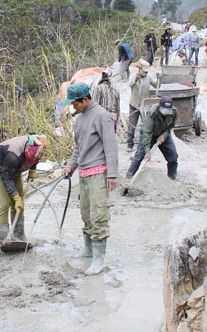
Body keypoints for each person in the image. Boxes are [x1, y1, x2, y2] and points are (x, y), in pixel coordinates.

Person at [62, 83, 118, 276]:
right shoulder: (79, 120)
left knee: (98, 215)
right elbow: (77, 149)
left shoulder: (102, 116)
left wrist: (112, 174)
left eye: (75, 104)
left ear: (85, 99)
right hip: (83, 173)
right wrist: (70, 166)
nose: (73, 107)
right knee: (86, 213)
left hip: (98, 172)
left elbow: (111, 146)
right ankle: (88, 250)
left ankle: (99, 259)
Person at [0, 134, 47, 250]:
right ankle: (4, 239)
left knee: (20, 206)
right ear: (25, 152)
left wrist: (32, 171)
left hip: (14, 170)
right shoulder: (13, 156)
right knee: (4, 204)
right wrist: (16, 198)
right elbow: (6, 177)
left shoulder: (39, 145)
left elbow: (35, 159)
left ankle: (19, 235)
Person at [126, 96, 178, 181]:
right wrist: (147, 151)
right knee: (139, 156)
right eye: (164, 109)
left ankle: (171, 176)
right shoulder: (153, 112)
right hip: (148, 134)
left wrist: (164, 135)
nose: (166, 111)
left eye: (168, 109)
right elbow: (147, 132)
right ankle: (129, 176)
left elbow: (171, 126)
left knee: (173, 156)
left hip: (163, 135)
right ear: (160, 106)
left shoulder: (173, 112)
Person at [126, 60, 157, 152]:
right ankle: (129, 144)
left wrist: (159, 78)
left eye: (146, 72)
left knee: (146, 124)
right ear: (139, 69)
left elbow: (156, 85)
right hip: (134, 104)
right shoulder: (133, 76)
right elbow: (130, 84)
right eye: (144, 71)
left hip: (144, 105)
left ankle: (145, 143)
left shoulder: (148, 78)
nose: (145, 73)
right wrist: (135, 79)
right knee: (132, 125)